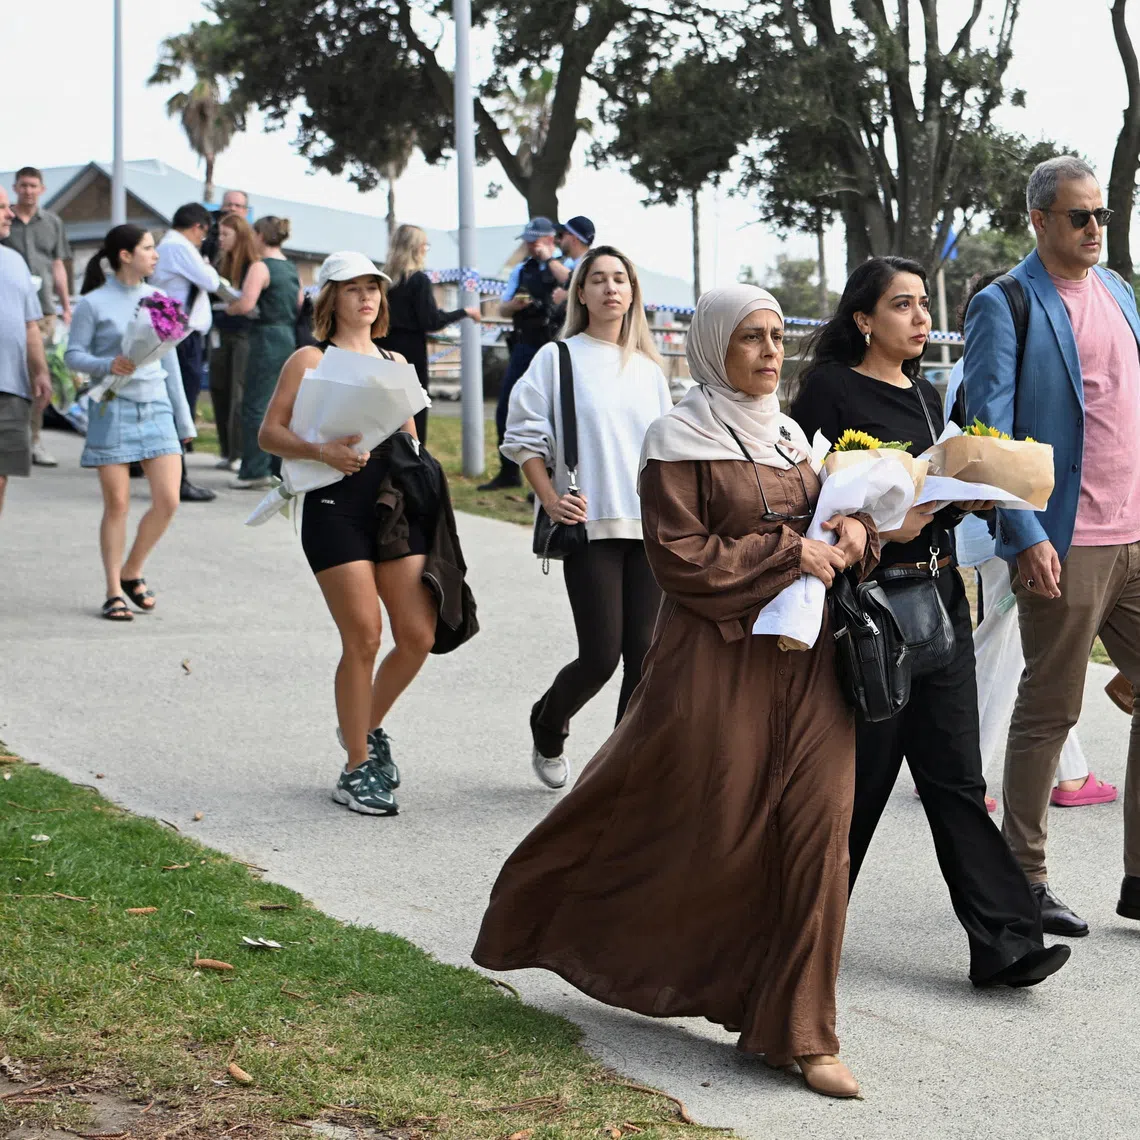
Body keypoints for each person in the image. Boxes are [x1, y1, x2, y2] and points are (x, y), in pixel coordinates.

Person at [475, 284, 877, 1099]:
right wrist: (784, 554)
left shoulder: (798, 439)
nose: (770, 354)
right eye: (751, 340)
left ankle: (801, 1032)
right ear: (712, 348)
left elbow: (822, 534)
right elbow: (678, 559)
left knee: (819, 839)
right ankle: (565, 916)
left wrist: (852, 535)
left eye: (776, 339)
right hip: (718, 667)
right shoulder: (678, 435)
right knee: (712, 827)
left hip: (811, 671)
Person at [791, 255, 1071, 989]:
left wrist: (967, 495)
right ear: (863, 319)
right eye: (903, 306)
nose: (920, 319)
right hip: (872, 610)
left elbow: (932, 481)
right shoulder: (829, 389)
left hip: (941, 601)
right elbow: (807, 501)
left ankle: (1008, 946)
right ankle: (794, 933)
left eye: (922, 305)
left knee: (954, 780)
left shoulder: (927, 392)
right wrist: (890, 520)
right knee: (858, 786)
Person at [964, 155, 1140, 934]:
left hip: (1136, 535)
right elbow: (988, 433)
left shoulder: (1121, 293)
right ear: (1039, 220)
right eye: (1080, 216)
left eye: (1102, 214)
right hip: (1065, 543)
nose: (1097, 228)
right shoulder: (1006, 304)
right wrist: (1024, 533)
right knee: (1049, 710)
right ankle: (1024, 881)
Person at [258, 251, 436, 816]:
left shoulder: (395, 359)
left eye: (373, 289)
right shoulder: (309, 358)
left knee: (418, 635)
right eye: (353, 288)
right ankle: (356, 765)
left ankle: (364, 725)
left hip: (393, 508)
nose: (367, 297)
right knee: (363, 635)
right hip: (332, 507)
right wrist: (320, 450)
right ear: (329, 298)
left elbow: (410, 439)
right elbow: (269, 434)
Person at [503, 246, 672, 788]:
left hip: (646, 529)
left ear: (632, 292)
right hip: (589, 524)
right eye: (597, 279)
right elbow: (523, 438)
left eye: (620, 278)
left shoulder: (650, 369)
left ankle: (619, 772)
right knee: (600, 656)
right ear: (581, 292)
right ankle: (548, 722)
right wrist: (549, 497)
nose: (609, 288)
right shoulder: (558, 359)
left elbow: (666, 451)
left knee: (644, 657)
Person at [949, 269, 1114, 810]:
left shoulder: (963, 368)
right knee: (1006, 649)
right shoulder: (994, 368)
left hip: (1004, 528)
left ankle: (1072, 774)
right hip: (1014, 529)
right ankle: (965, 769)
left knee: (1031, 654)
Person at [65, 225, 195, 621]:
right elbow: (73, 355)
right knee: (117, 504)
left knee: (168, 500)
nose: (155, 255)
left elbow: (169, 361)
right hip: (112, 408)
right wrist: (107, 364)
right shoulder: (92, 303)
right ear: (125, 255)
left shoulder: (160, 300)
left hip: (156, 408)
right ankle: (112, 591)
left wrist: (184, 419)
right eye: (148, 248)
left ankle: (131, 570)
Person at [379, 223, 481, 443]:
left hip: (382, 350)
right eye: (425, 245)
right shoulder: (418, 280)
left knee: (385, 414)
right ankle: (412, 465)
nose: (426, 249)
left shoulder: (383, 281)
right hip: (410, 353)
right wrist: (464, 312)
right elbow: (431, 320)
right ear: (416, 248)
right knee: (413, 413)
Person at [479, 217, 560, 491]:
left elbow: (571, 285)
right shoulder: (521, 270)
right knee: (507, 406)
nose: (530, 246)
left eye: (535, 241)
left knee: (553, 412)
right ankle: (508, 472)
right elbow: (501, 309)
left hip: (552, 345)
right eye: (528, 242)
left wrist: (549, 260)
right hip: (524, 345)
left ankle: (550, 477)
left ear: (550, 240)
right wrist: (515, 305)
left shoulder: (564, 265)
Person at [2, 166, 72, 468]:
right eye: (23, 186)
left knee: (37, 377)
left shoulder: (53, 222)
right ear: (16, 187)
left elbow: (58, 266)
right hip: (10, 306)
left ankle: (34, 439)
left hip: (41, 309)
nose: (28, 191)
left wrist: (65, 306)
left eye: (34, 186)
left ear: (42, 190)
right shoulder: (8, 225)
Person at [150, 202, 219, 503]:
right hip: (181, 336)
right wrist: (207, 262)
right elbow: (211, 281)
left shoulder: (172, 245)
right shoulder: (179, 246)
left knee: (177, 404)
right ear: (198, 227)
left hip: (179, 333)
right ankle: (178, 479)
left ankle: (171, 475)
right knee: (180, 405)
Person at [228, 216, 302, 490]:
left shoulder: (260, 266)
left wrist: (229, 306)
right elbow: (299, 302)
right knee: (283, 403)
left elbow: (247, 304)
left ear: (259, 235)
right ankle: (277, 467)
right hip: (288, 336)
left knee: (256, 404)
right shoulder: (291, 267)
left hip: (265, 336)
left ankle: (253, 469)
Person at [0, 187, 52, 518]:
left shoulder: (15, 261)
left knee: (1, 478)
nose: (10, 213)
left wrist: (41, 372)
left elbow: (30, 325)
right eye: (2, 207)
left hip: (11, 389)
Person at [209, 213, 260, 470]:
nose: (220, 239)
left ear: (239, 236)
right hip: (219, 332)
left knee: (237, 393)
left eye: (225, 234)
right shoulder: (219, 263)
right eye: (219, 234)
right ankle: (227, 451)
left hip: (243, 335)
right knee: (219, 389)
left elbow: (251, 304)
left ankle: (239, 452)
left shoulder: (253, 265)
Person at [549, 215, 595, 322]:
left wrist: (566, 295)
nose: (560, 240)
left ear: (573, 239)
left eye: (562, 235)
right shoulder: (578, 264)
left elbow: (596, 293)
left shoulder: (591, 265)